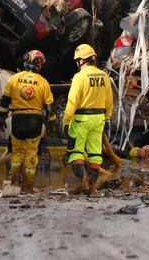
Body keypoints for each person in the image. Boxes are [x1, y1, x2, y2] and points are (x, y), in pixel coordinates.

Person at [0, 49, 55, 194]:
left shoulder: (14, 79)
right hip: (34, 121)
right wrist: (51, 123)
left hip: (17, 120)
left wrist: (1, 118)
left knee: (16, 153)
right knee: (31, 154)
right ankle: (28, 187)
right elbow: (49, 106)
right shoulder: (43, 82)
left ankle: (15, 184)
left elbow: (5, 101)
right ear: (38, 65)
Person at [63, 44, 114, 195]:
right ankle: (93, 188)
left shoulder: (79, 77)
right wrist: (107, 119)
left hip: (81, 119)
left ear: (81, 61)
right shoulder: (104, 76)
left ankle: (82, 181)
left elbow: (73, 101)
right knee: (95, 154)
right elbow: (109, 100)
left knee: (75, 152)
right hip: (99, 118)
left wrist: (66, 121)